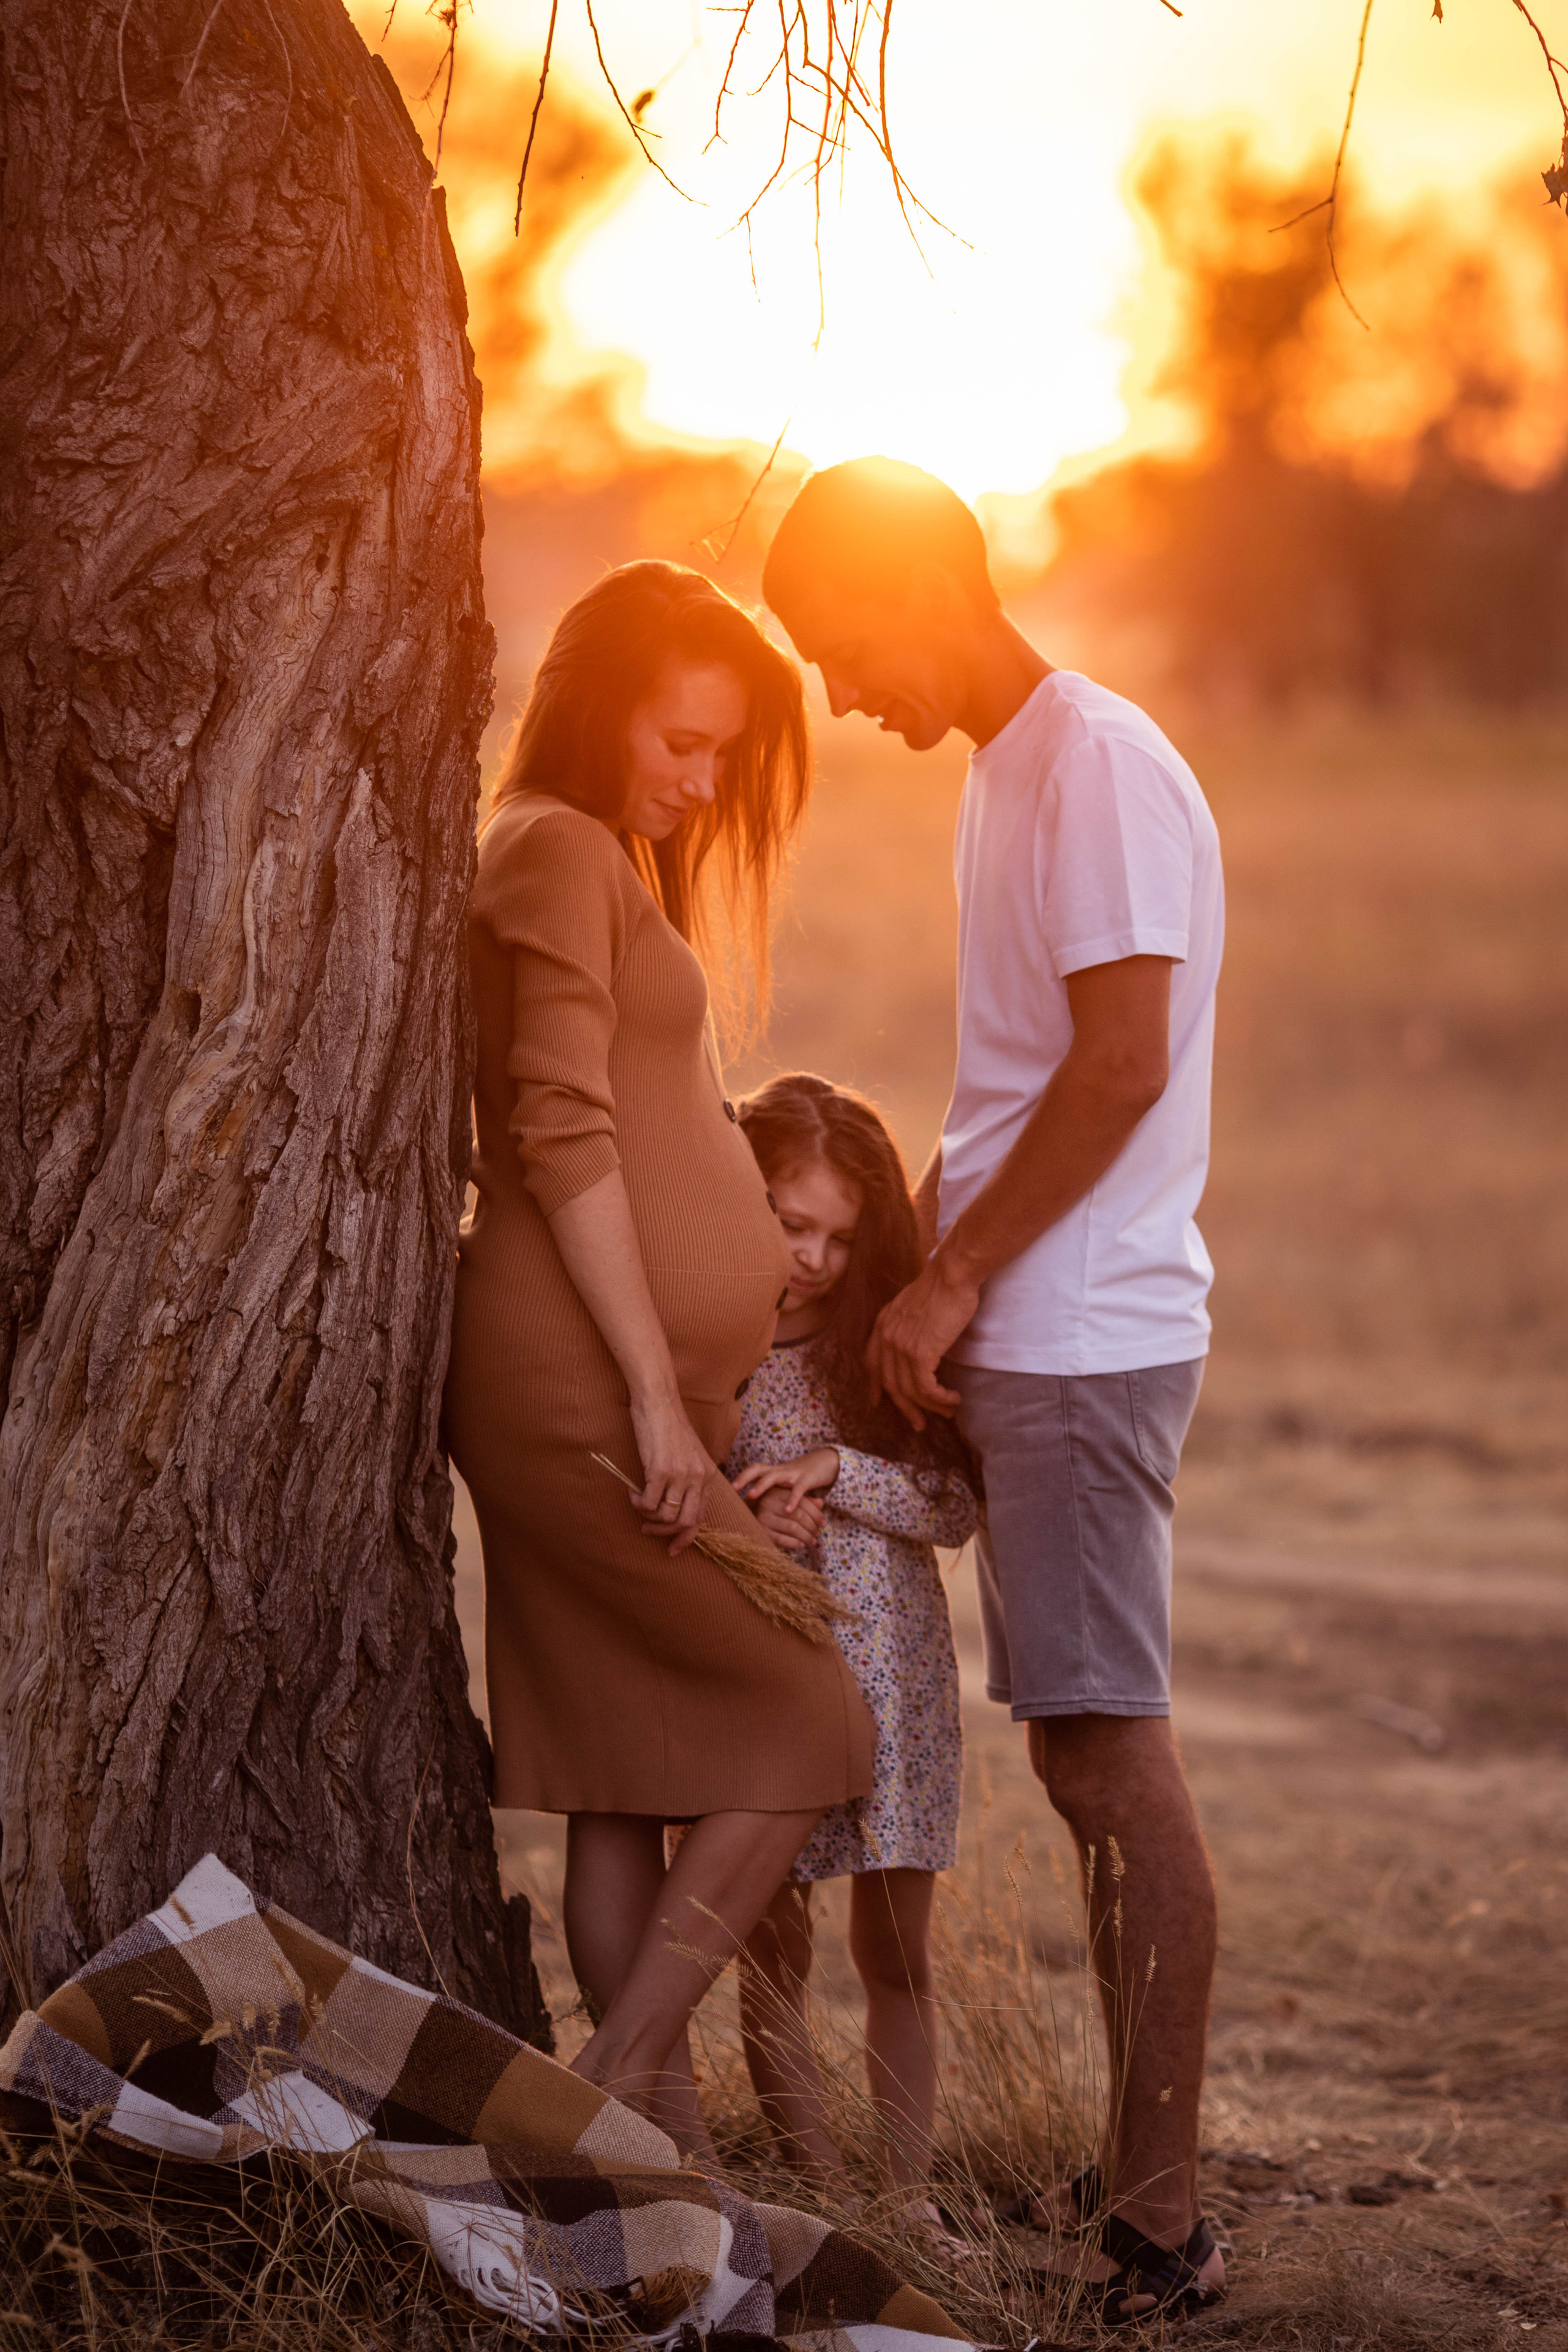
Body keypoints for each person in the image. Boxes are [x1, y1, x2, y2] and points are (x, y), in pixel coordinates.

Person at [760, 461, 1227, 2323]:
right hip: (1027, 1333)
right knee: (1074, 1751)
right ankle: (1138, 2179)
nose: (840, 691)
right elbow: (1025, 1082)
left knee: (1107, 1756)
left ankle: (1162, 2230)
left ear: (928, 585)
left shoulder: (1094, 763)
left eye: (842, 642)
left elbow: (1118, 1066)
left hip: (1087, 1338)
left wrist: (956, 1277)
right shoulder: (1010, 770)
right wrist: (911, 1276)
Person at [443, 562, 875, 2158]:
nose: (702, 785)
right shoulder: (557, 846)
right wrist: (651, 1404)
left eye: (721, 756)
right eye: (681, 743)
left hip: (633, 1386)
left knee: (625, 1780)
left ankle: (660, 2166)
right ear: (596, 706)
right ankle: (604, 2098)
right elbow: (561, 1133)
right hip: (582, 1391)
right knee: (812, 1724)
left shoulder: (594, 853)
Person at [722, 1076, 978, 2232]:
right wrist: (748, 1516)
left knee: (896, 1951)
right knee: (770, 1942)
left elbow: (954, 1502)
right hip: (763, 1673)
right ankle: (820, 2196)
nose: (815, 1259)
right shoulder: (708, 1337)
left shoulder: (875, 1341)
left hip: (894, 1674)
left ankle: (908, 2203)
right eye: (792, 1224)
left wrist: (836, 1469)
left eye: (838, 1236)